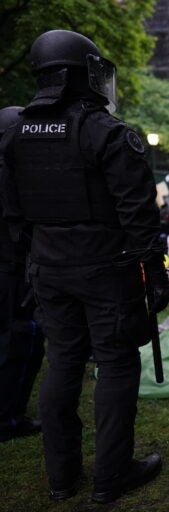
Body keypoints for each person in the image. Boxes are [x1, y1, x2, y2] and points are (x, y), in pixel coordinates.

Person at [0, 30, 169, 503]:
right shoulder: (107, 133)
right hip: (104, 270)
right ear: (81, 74)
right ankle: (112, 476)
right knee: (116, 365)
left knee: (62, 364)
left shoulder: (14, 133)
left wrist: (27, 267)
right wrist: (155, 275)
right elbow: (139, 216)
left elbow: (13, 214)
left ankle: (62, 478)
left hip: (47, 268)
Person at [0, 105, 45, 443]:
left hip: (13, 268)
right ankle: (7, 418)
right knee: (18, 340)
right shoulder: (11, 173)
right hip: (11, 271)